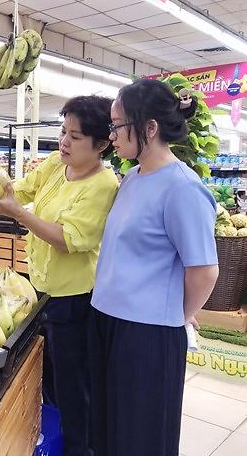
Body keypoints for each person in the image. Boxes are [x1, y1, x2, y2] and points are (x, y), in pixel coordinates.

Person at [0, 95, 119, 456]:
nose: (64, 142)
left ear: (101, 144)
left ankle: (78, 449)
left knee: (73, 384)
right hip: (39, 289)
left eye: (75, 136)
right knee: (44, 374)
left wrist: (18, 214)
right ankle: (48, 436)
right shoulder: (58, 163)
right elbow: (22, 190)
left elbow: (68, 240)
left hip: (73, 299)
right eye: (62, 131)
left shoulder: (104, 186)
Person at [89, 79, 219, 456]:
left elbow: (204, 270)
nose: (111, 134)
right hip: (106, 319)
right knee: (109, 429)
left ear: (149, 128)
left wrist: (177, 314)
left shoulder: (182, 188)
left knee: (141, 437)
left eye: (117, 125)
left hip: (147, 334)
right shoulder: (131, 177)